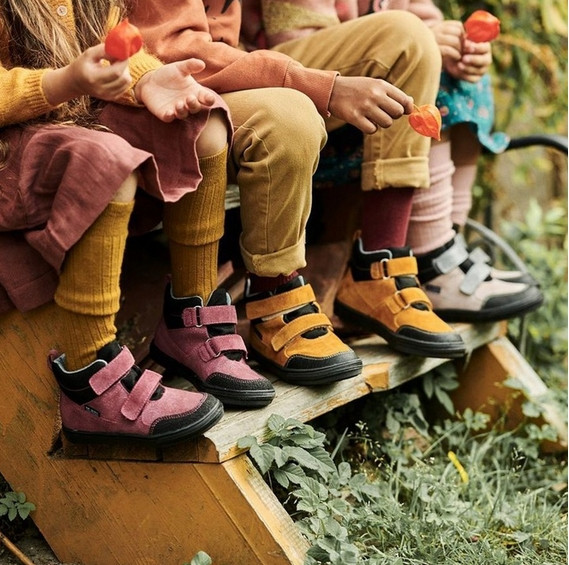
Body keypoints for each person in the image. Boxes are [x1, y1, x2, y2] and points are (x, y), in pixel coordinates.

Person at [0, 0, 278, 447]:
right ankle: (89, 381)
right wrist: (62, 82)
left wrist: (146, 78)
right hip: (11, 141)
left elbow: (112, 47)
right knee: (106, 164)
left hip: (70, 115)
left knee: (200, 124)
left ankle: (191, 317)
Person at [129, 0, 467, 363]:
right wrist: (325, 87)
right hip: (170, 84)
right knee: (290, 117)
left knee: (410, 35)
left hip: (233, 61)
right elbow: (176, 52)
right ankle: (273, 298)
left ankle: (379, 268)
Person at [242, 0, 543, 324]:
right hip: (305, 97)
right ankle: (430, 257)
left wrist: (457, 46)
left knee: (453, 67)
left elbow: (422, 16)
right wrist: (419, 43)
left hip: (369, 101)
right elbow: (304, 44)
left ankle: (446, 246)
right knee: (415, 47)